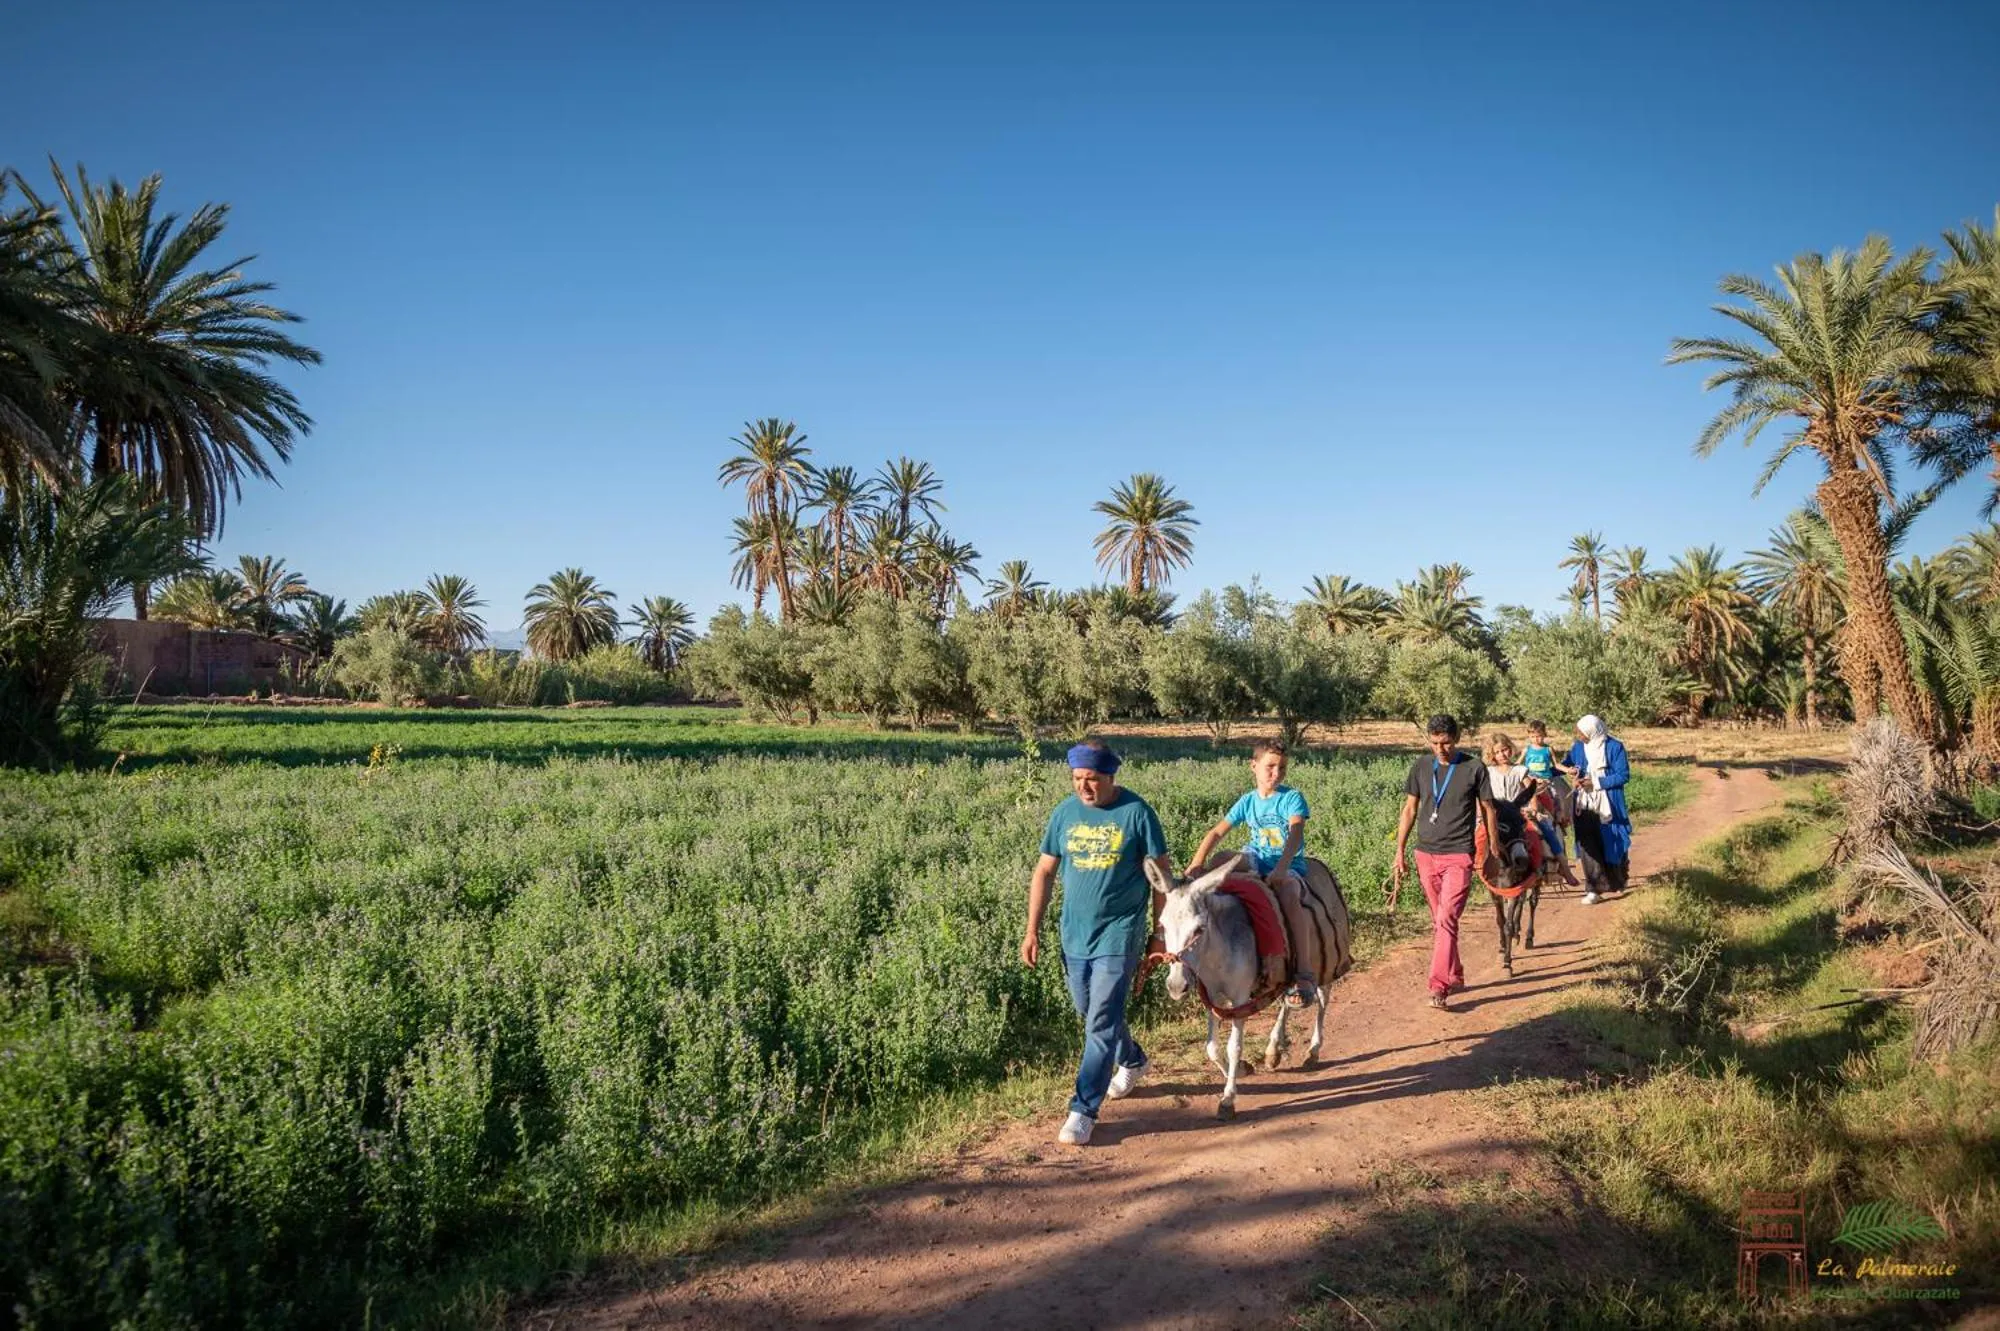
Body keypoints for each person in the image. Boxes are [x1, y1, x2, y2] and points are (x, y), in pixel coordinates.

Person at [1022, 740, 1172, 1146]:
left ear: (1111, 777)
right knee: (1089, 1011)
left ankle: (1083, 1109)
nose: (1084, 788)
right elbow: (1044, 872)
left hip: (1119, 935)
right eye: (1077, 779)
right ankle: (1133, 1059)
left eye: (1092, 780)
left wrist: (1159, 934)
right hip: (1074, 935)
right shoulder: (1064, 813)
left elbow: (1161, 879)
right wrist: (1032, 929)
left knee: (1101, 1020)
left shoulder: (1137, 813)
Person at [1189, 739, 1321, 1007]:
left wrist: (1283, 868)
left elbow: (1296, 832)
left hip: (1286, 863)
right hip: (1256, 858)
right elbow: (1217, 831)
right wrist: (1196, 864)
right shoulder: (1248, 801)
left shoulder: (1291, 798)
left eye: (1282, 768)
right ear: (1254, 766)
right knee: (1222, 860)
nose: (1276, 773)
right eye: (1270, 766)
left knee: (1289, 892)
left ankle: (1303, 972)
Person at [1391, 714, 1502, 1011]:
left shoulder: (1473, 768)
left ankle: (1438, 986)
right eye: (1435, 742)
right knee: (1440, 920)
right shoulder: (1421, 766)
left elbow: (1489, 810)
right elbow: (1409, 809)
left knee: (1445, 919)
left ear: (1458, 738)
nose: (1441, 748)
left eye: (1447, 742)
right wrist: (1399, 850)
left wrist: (1492, 853)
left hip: (1459, 855)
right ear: (1429, 740)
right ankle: (1455, 972)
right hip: (1425, 854)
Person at [1487, 730, 1579, 886]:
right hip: (1497, 814)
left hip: (1518, 812)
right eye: (1497, 752)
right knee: (1477, 837)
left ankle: (1564, 869)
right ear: (1491, 755)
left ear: (1511, 749)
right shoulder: (1488, 772)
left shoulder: (1519, 770)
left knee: (1545, 831)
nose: (1502, 754)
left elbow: (1532, 791)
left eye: (1504, 750)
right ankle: (1477, 871)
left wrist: (1533, 809)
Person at [1566, 714, 1632, 904]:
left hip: (1608, 803)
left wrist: (1595, 783)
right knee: (1588, 843)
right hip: (1584, 803)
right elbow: (1568, 764)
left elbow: (1622, 776)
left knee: (1612, 841)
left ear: (1593, 731)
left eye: (1582, 732)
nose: (1579, 735)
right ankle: (1593, 888)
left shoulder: (1614, 747)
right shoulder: (1578, 747)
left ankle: (1618, 879)